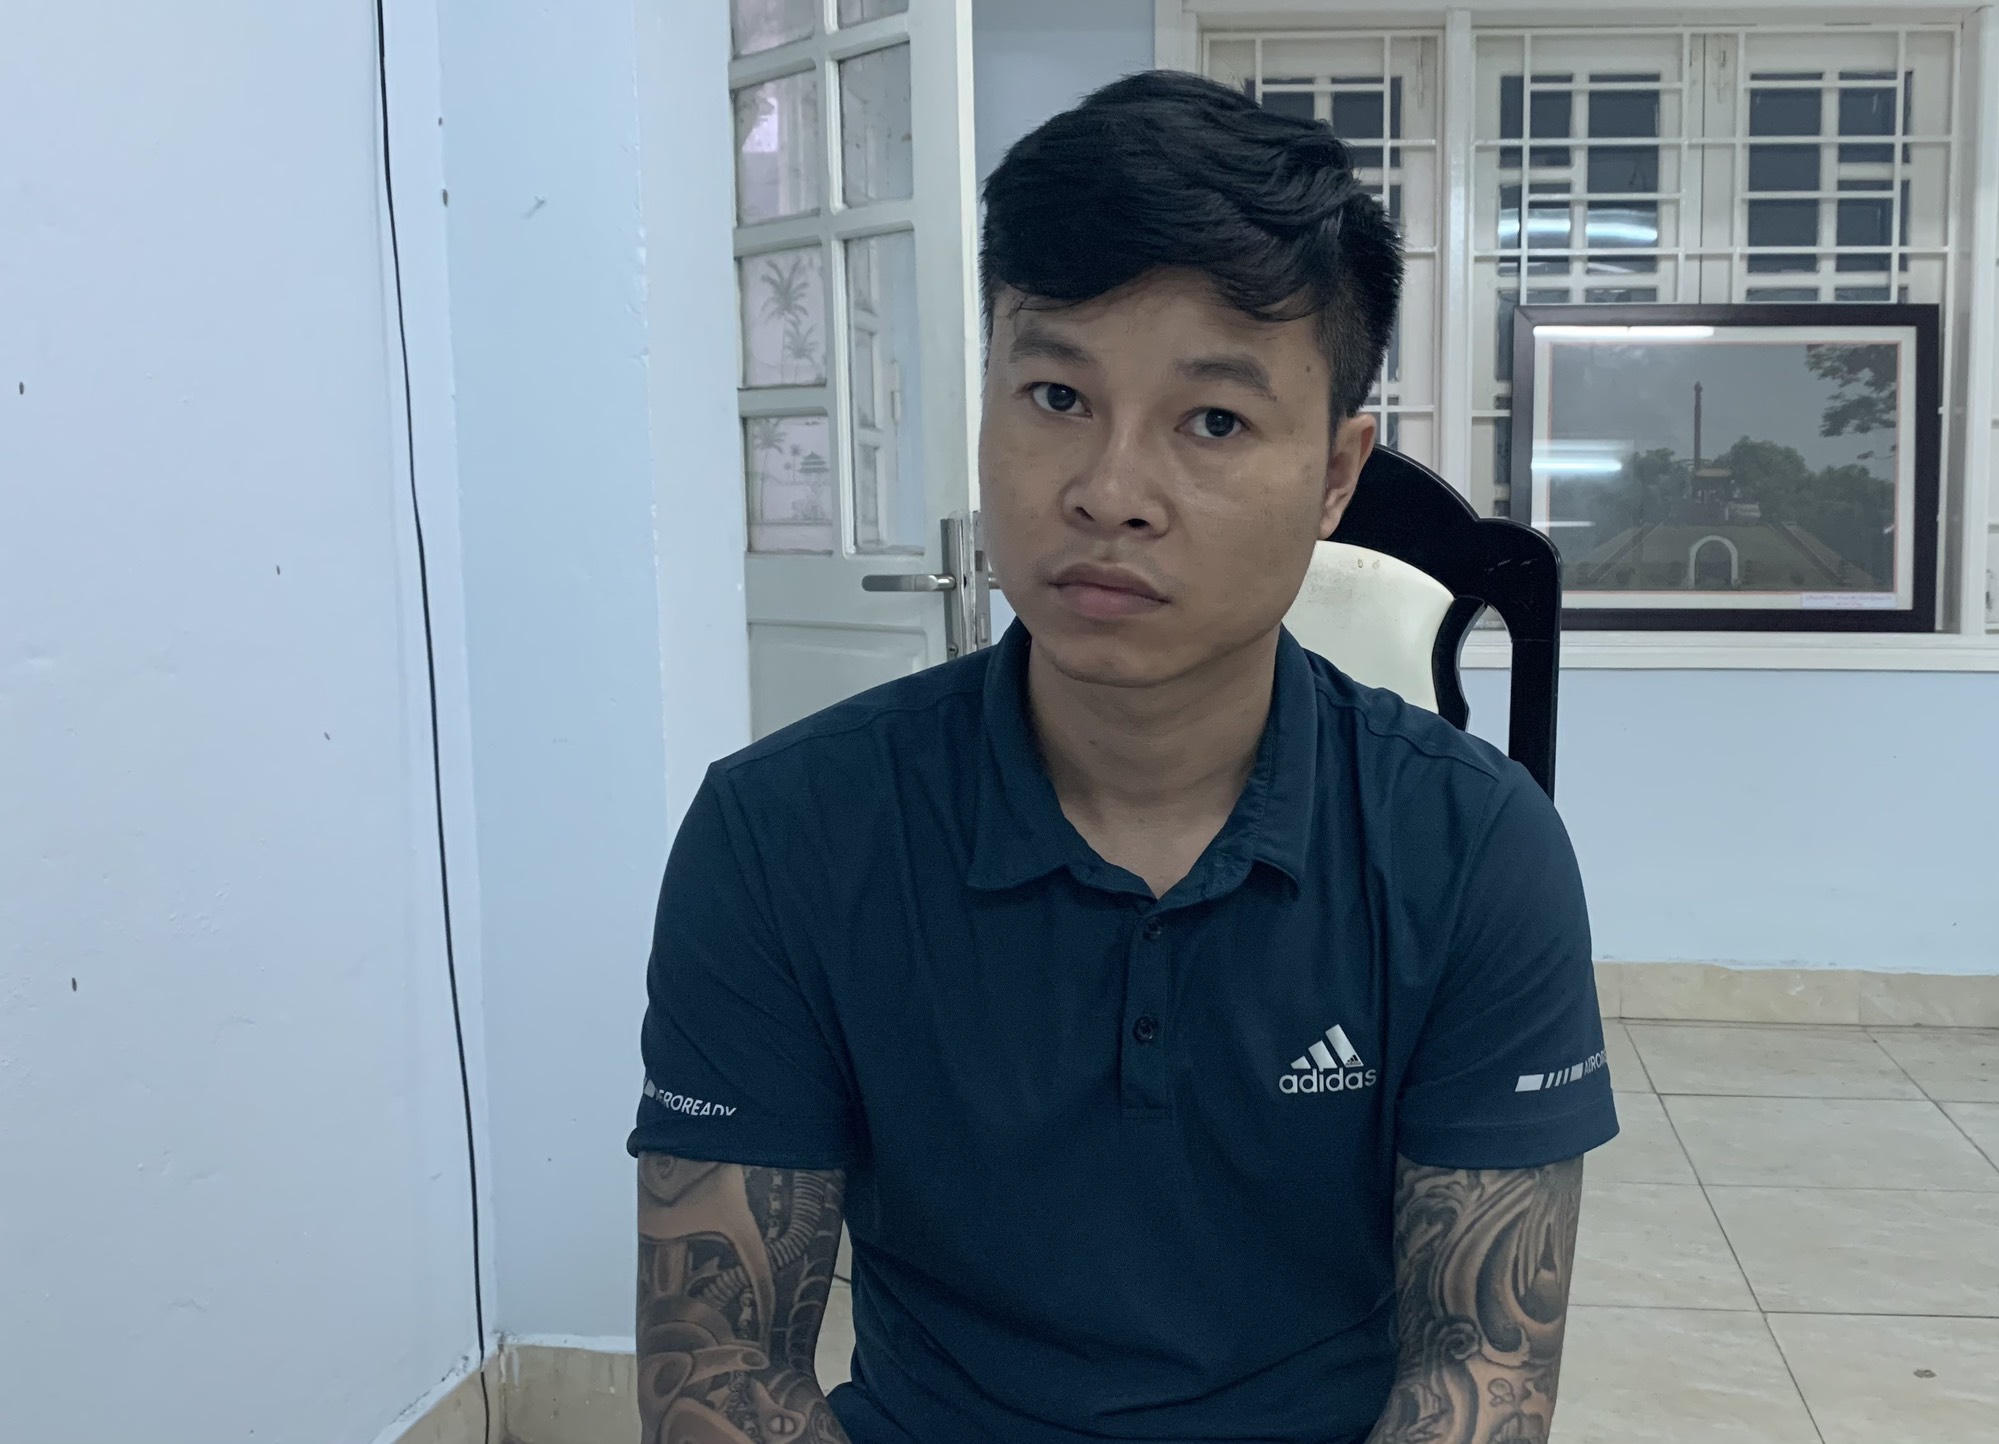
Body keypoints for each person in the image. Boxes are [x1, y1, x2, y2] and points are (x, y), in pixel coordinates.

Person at [630, 70, 1616, 1444]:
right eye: (1056, 394)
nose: (1107, 493)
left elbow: (1482, 1373)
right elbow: (719, 1377)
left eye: (1213, 421)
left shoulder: (1472, 850)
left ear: (1336, 476)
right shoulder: (784, 832)